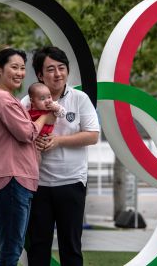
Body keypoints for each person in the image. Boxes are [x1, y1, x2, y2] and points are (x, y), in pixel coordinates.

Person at [22, 46, 100, 266]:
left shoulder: (79, 98)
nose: (57, 74)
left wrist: (57, 141)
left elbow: (93, 135)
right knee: (38, 247)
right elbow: (17, 136)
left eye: (61, 68)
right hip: (37, 184)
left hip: (72, 182)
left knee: (71, 247)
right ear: (39, 74)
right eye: (50, 69)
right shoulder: (26, 102)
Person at [0, 48, 56, 266]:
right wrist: (44, 117)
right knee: (11, 249)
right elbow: (26, 133)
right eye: (14, 67)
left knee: (13, 246)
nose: (20, 72)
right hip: (11, 180)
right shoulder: (3, 99)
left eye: (23, 68)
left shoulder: (1, 98)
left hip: (15, 180)